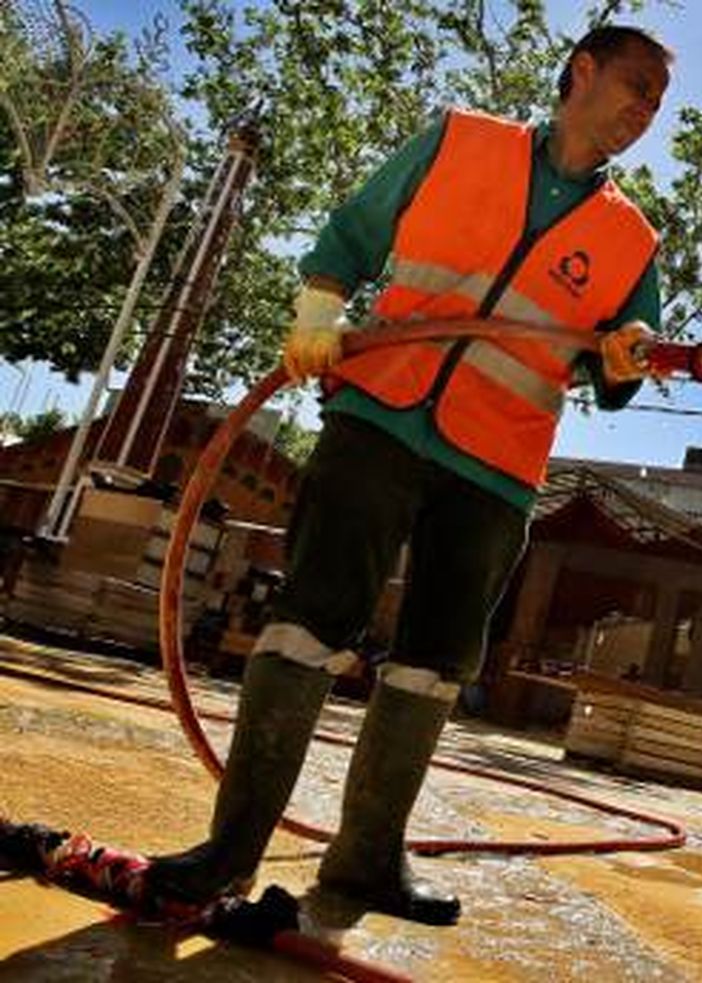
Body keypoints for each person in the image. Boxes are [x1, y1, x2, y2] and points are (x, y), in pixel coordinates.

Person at [146, 25, 675, 927]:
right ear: (581, 71)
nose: (643, 111)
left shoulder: (631, 238)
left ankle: (363, 866)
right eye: (634, 85)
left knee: (435, 662)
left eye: (657, 103)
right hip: (379, 418)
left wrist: (627, 359)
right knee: (309, 623)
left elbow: (614, 367)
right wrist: (320, 305)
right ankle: (228, 853)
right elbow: (354, 231)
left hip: (497, 468)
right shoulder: (460, 140)